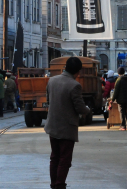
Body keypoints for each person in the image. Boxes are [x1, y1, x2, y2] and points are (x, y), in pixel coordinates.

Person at [44, 57, 92, 189]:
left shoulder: (52, 80)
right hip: (67, 127)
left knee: (55, 157)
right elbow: (80, 108)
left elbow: (49, 99)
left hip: (52, 125)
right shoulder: (75, 85)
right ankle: (60, 184)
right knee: (65, 159)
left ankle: (54, 184)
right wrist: (88, 110)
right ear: (78, 71)